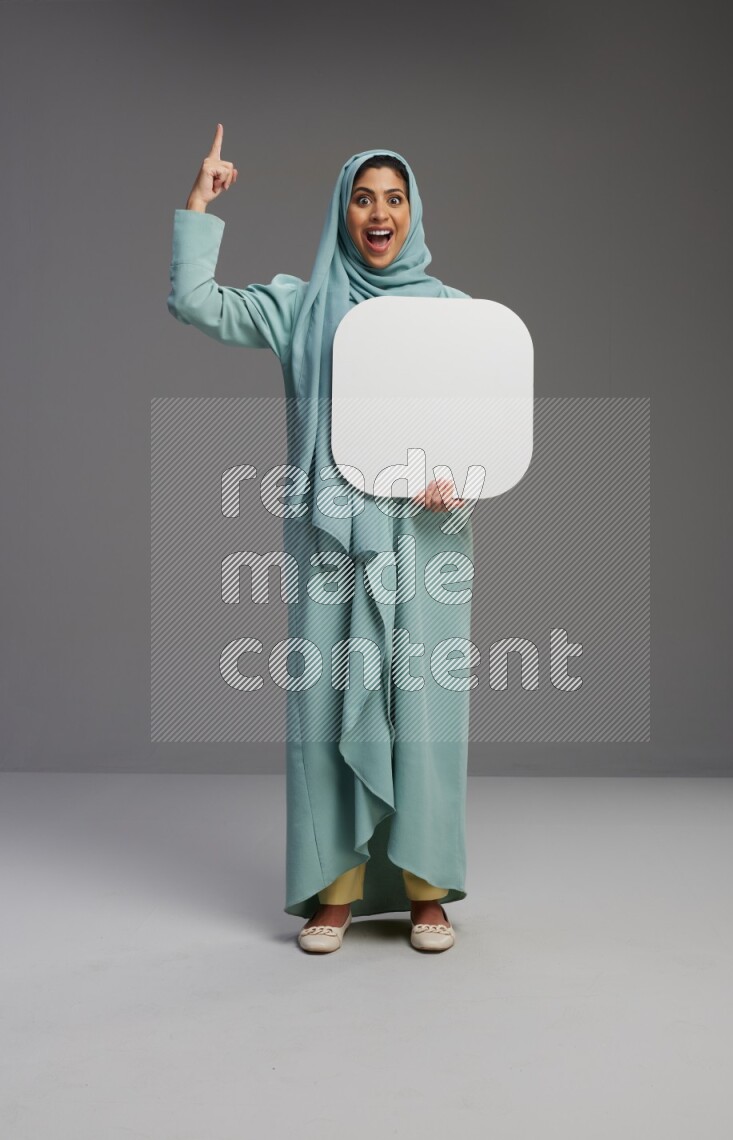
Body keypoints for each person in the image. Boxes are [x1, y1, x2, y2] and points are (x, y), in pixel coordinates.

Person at [167, 125, 475, 954]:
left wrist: (459, 475)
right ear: (343, 212)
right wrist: (199, 206)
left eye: (394, 198)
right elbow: (199, 303)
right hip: (330, 544)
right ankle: (331, 893)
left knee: (423, 714)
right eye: (363, 198)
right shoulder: (303, 306)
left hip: (424, 538)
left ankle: (426, 891)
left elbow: (482, 426)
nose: (379, 212)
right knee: (326, 709)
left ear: (414, 212)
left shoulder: (452, 313)